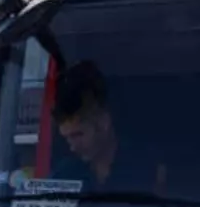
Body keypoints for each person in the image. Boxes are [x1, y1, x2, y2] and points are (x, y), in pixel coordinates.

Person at [50, 60, 161, 192]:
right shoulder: (64, 175)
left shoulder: (148, 170)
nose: (73, 147)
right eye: (67, 138)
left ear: (104, 122)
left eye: (78, 135)